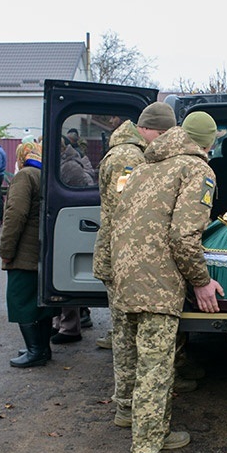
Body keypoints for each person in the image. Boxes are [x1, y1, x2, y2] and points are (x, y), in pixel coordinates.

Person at [112, 106, 224, 453]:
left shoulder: (145, 165)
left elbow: (118, 220)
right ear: (209, 144)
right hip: (157, 285)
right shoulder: (197, 170)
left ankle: (155, 433)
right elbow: (184, 236)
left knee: (147, 366)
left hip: (128, 278)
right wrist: (202, 281)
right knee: (155, 372)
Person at [93, 119, 151, 365]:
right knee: (126, 329)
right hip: (122, 254)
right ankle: (128, 394)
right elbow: (125, 209)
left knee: (127, 325)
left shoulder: (128, 152)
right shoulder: (128, 157)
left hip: (122, 252)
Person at [0, 142, 58, 368]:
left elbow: (15, 215)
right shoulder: (44, 174)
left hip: (24, 252)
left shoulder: (25, 175)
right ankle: (42, 348)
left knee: (20, 301)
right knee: (39, 304)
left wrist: (6, 251)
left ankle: (35, 351)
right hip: (40, 251)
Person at [51, 136, 97, 345]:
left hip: (70, 221)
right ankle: (70, 320)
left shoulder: (70, 166)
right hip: (66, 221)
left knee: (63, 275)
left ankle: (70, 326)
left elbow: (87, 191)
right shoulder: (65, 163)